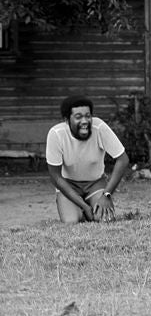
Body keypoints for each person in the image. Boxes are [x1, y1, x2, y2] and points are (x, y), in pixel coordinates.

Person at [46, 95, 129, 223]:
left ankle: (90, 207)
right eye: (78, 117)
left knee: (104, 220)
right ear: (67, 120)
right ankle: (80, 208)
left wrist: (106, 195)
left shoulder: (99, 127)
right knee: (71, 221)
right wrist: (84, 206)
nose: (85, 121)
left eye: (88, 116)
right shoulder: (56, 134)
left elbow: (123, 159)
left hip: (96, 183)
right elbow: (55, 176)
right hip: (69, 186)